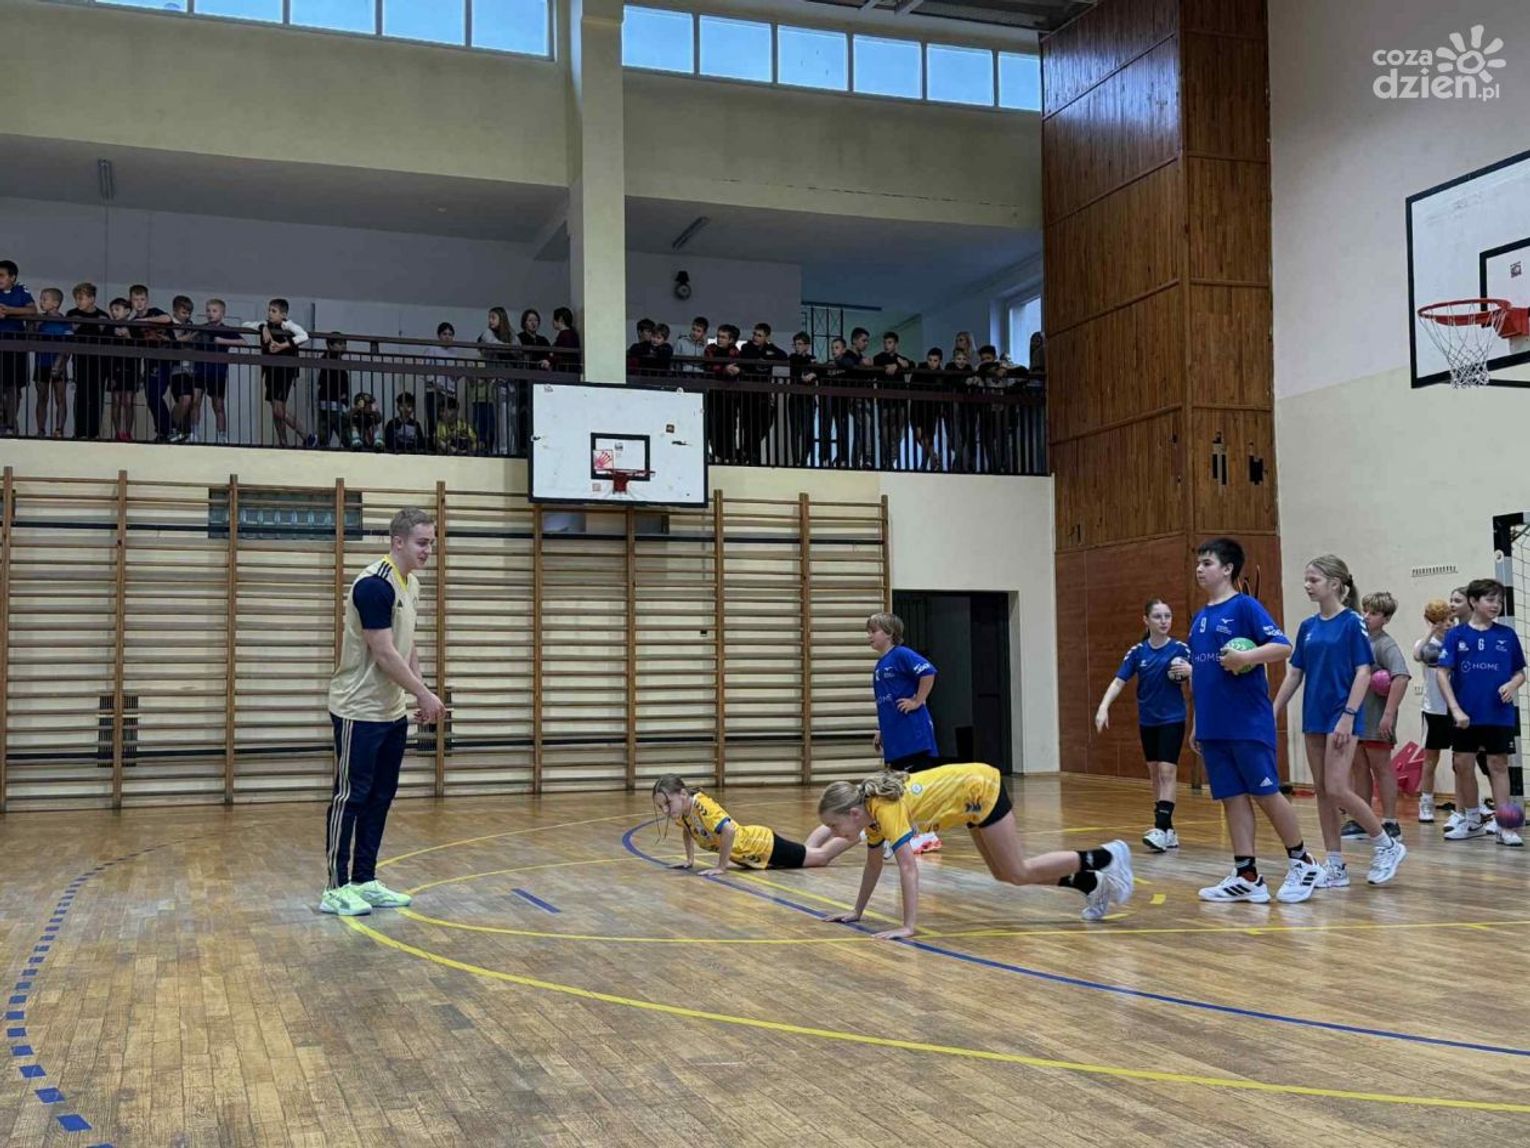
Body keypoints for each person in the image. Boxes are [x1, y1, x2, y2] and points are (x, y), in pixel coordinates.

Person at [817, 764, 1134, 935]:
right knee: (1005, 874)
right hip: (969, 802)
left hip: (981, 790)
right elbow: (873, 866)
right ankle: (1090, 883)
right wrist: (857, 911)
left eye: (833, 825)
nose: (833, 833)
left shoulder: (885, 810)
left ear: (853, 814)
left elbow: (908, 867)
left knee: (1019, 870)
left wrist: (908, 926)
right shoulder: (871, 819)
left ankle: (1108, 856)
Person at [322, 507, 446, 916]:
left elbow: (407, 645)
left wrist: (417, 692)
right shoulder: (374, 586)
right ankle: (335, 887)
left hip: (391, 711)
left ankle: (364, 879)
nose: (428, 550)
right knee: (351, 797)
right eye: (422, 543)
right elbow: (383, 652)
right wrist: (424, 695)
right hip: (358, 710)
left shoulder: (412, 584)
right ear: (398, 542)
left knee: (380, 796)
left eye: (431, 543)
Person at [1188, 536, 1322, 903]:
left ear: (1228, 569)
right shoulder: (1200, 618)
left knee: (1265, 792)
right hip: (1214, 725)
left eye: (1207, 563)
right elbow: (1202, 675)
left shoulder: (1245, 607)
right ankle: (1247, 875)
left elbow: (1282, 647)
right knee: (1231, 797)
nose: (1200, 569)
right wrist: (1198, 720)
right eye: (1198, 563)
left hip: (1247, 722)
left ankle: (1303, 861)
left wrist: (1246, 658)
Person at [1273, 557, 1407, 889]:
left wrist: (1348, 715)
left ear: (1334, 584)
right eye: (1306, 579)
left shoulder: (1352, 622)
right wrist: (1273, 709)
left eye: (1314, 580)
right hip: (1314, 715)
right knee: (1322, 790)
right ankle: (1335, 864)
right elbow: (1295, 673)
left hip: (1342, 714)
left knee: (1337, 787)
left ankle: (1386, 845)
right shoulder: (1307, 626)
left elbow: (1363, 671)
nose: (1307, 585)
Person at [1095, 598, 1192, 852]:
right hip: (1148, 721)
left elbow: (1203, 676)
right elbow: (1118, 681)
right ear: (1146, 620)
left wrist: (1191, 671)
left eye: (1167, 616)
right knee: (1154, 773)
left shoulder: (1181, 649)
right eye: (1158, 616)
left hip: (1173, 719)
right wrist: (1104, 707)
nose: (1164, 621)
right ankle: (1168, 830)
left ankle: (1160, 828)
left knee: (1167, 772)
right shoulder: (1138, 652)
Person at [1437, 577, 1527, 846]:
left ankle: (1505, 826)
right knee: (1462, 764)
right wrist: (1455, 709)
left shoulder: (1506, 635)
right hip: (1465, 714)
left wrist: (1512, 684)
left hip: (1498, 714)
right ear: (1474, 602)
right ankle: (1473, 820)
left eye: (1499, 600)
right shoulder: (1456, 635)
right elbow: (1442, 673)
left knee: (1498, 765)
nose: (1496, 605)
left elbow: (1520, 673)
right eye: (1490, 599)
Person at [652, 774, 853, 875]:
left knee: (821, 857)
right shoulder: (683, 813)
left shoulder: (701, 805)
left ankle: (857, 833)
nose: (665, 811)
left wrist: (721, 867)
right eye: (661, 807)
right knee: (807, 852)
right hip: (753, 853)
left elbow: (728, 830)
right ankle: (834, 826)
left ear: (683, 794)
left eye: (668, 803)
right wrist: (689, 859)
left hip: (762, 846)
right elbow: (687, 830)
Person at [866, 612, 942, 854]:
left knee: (918, 786)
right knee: (899, 788)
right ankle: (905, 833)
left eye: (873, 631)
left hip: (913, 736)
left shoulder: (901, 654)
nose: (869, 636)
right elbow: (886, 702)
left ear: (889, 633)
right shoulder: (880, 665)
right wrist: (882, 729)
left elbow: (928, 672)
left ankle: (928, 835)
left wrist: (918, 700)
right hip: (895, 737)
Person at [1353, 591, 1409, 841]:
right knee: (1359, 768)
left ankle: (1390, 821)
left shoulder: (1385, 644)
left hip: (1377, 717)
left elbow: (1401, 677)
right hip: (1356, 717)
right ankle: (1362, 820)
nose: (1367, 616)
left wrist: (1388, 714)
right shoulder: (1358, 641)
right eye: (1365, 611)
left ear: (1386, 619)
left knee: (1381, 767)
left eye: (1373, 613)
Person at [245, 298, 311, 447]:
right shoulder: (266, 324)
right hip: (271, 371)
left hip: (284, 371)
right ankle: (283, 441)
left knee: (279, 410)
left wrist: (282, 345)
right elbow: (245, 325)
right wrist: (263, 327)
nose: (270, 313)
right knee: (275, 410)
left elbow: (304, 336)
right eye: (269, 310)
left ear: (283, 314)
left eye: (274, 311)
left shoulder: (288, 325)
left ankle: (307, 436)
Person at [1413, 600, 1455, 824]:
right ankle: (1426, 802)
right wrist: (1431, 631)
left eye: (1450, 619)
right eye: (1441, 621)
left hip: (1456, 708)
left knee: (1462, 758)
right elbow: (1417, 655)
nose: (1447, 624)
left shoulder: (1456, 642)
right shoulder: (1426, 644)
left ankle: (1468, 804)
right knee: (1431, 758)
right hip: (1433, 708)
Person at [129, 285, 176, 444]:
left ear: (147, 300)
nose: (139, 303)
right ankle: (166, 430)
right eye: (136, 300)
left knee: (155, 395)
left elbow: (167, 319)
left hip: (167, 357)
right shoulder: (133, 323)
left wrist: (143, 320)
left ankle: (168, 429)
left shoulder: (154, 312)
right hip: (151, 361)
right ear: (131, 301)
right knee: (152, 396)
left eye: (142, 299)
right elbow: (137, 343)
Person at [66, 283, 110, 441]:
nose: (78, 302)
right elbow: (68, 335)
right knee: (81, 395)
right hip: (80, 360)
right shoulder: (72, 314)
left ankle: (94, 432)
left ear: (91, 299)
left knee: (96, 396)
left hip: (99, 362)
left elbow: (108, 341)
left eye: (81, 298)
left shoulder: (103, 316)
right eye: (76, 299)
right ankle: (80, 432)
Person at [736, 322, 786, 463]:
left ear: (766, 337)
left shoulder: (771, 349)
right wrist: (764, 356)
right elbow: (748, 358)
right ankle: (751, 457)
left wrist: (769, 349)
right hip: (748, 394)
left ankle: (746, 451)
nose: (755, 337)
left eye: (759, 335)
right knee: (748, 427)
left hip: (763, 395)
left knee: (764, 424)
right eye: (754, 334)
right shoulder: (746, 348)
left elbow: (783, 356)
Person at [0, 260, 38, 435]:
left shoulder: (21, 290)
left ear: (13, 278)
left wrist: (8, 311)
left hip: (15, 344)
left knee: (13, 386)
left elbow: (32, 310)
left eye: (2, 275)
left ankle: (10, 424)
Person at [30, 288, 72, 439]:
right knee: (42, 397)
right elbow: (31, 338)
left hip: (59, 364)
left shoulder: (65, 322)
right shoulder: (40, 320)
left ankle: (59, 429)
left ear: (55, 303)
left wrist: (59, 363)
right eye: (41, 299)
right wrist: (35, 325)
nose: (41, 302)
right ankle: (40, 430)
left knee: (60, 397)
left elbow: (68, 346)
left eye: (44, 299)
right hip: (41, 362)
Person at [474, 306, 515, 455]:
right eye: (489, 318)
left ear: (501, 319)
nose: (490, 321)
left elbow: (518, 349)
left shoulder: (511, 334)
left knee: (511, 416)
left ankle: (511, 448)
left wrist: (509, 349)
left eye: (493, 317)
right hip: (498, 380)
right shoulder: (487, 333)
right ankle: (502, 449)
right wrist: (509, 348)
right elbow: (495, 345)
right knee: (501, 417)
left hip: (511, 380)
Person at [872, 331, 913, 469]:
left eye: (889, 342)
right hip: (884, 403)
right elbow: (880, 362)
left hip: (899, 402)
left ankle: (891, 462)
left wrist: (898, 365)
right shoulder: (879, 358)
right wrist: (897, 364)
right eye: (885, 342)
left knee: (897, 435)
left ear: (896, 344)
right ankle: (886, 461)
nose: (886, 345)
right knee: (885, 434)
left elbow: (911, 364)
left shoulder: (900, 359)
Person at [423, 322, 470, 441]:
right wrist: (434, 382)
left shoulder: (454, 353)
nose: (447, 337)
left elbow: (453, 374)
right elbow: (424, 369)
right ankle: (434, 445)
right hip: (435, 391)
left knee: (448, 422)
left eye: (450, 334)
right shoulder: (432, 349)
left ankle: (446, 445)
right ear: (439, 335)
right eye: (444, 334)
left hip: (449, 393)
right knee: (434, 420)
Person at [705, 323, 743, 463]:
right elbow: (709, 365)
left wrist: (734, 370)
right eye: (718, 336)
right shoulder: (711, 348)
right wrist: (724, 370)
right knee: (712, 425)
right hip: (714, 394)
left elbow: (738, 367)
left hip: (730, 396)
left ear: (731, 340)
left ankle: (727, 456)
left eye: (723, 337)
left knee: (729, 427)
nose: (719, 339)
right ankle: (714, 454)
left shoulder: (735, 351)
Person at [164, 295, 199, 443]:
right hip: (176, 370)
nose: (187, 316)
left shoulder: (191, 326)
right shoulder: (169, 326)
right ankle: (171, 427)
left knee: (190, 403)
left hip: (190, 370)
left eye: (189, 313)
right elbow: (169, 342)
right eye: (184, 312)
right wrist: (183, 340)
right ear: (175, 311)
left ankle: (182, 432)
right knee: (185, 400)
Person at [105, 296, 140, 442]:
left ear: (127, 311)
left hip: (131, 368)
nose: (114, 312)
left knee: (128, 401)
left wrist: (128, 336)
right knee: (116, 400)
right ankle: (118, 432)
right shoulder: (109, 327)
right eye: (112, 310)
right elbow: (105, 345)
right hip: (114, 368)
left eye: (117, 309)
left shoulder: (134, 326)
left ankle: (128, 432)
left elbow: (139, 347)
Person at [314, 335, 352, 449]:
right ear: (330, 345)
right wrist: (342, 395)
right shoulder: (329, 360)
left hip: (332, 402)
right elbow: (329, 381)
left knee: (326, 435)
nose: (343, 346)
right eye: (339, 344)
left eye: (344, 343)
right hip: (333, 402)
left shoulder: (334, 359)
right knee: (346, 435)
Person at [786, 331, 818, 466]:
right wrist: (810, 369)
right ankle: (796, 460)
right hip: (795, 398)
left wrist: (814, 373)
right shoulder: (793, 357)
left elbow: (819, 371)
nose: (797, 347)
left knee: (808, 431)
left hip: (809, 399)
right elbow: (797, 363)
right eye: (795, 344)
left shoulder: (813, 358)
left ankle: (804, 459)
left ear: (807, 346)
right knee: (795, 431)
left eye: (799, 344)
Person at [551, 306, 580, 372]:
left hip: (566, 371)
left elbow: (564, 355)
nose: (552, 322)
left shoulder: (566, 335)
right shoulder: (571, 333)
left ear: (560, 319)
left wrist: (551, 359)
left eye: (554, 319)